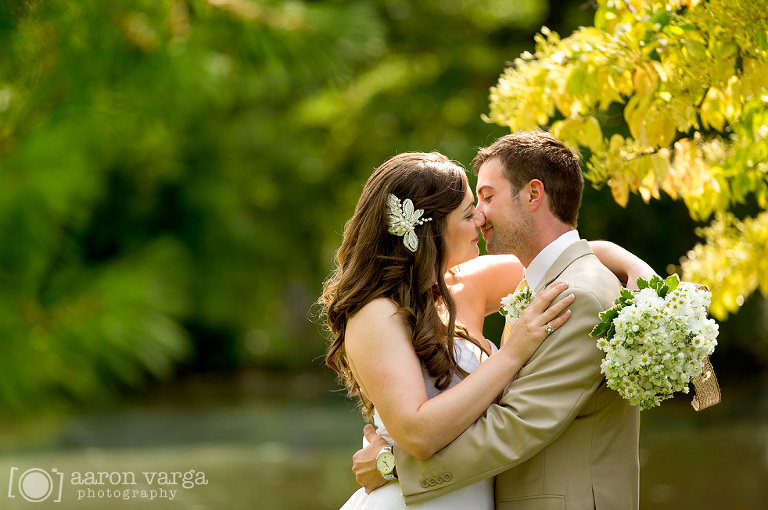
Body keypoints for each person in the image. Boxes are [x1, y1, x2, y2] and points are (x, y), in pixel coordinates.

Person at [321, 149, 652, 509]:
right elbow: (417, 432)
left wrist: (639, 272)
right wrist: (512, 354)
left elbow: (560, 256)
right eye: (468, 212)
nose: (480, 217)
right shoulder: (376, 314)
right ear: (432, 229)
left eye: (484, 200)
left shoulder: (466, 286)